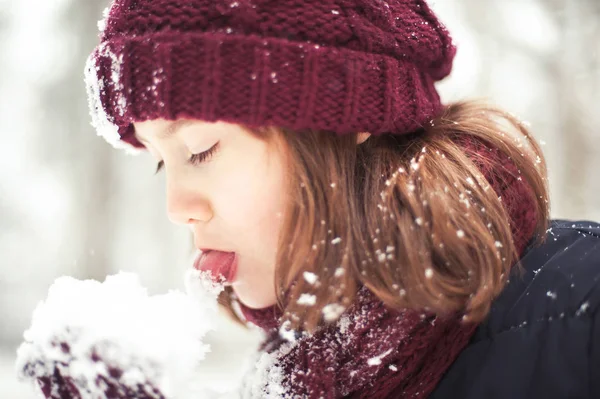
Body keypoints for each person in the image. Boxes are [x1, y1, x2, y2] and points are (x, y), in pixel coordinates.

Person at [74, 0, 600, 398]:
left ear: (346, 123)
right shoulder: (294, 369)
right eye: (161, 162)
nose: (176, 206)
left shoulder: (583, 314)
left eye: (201, 149)